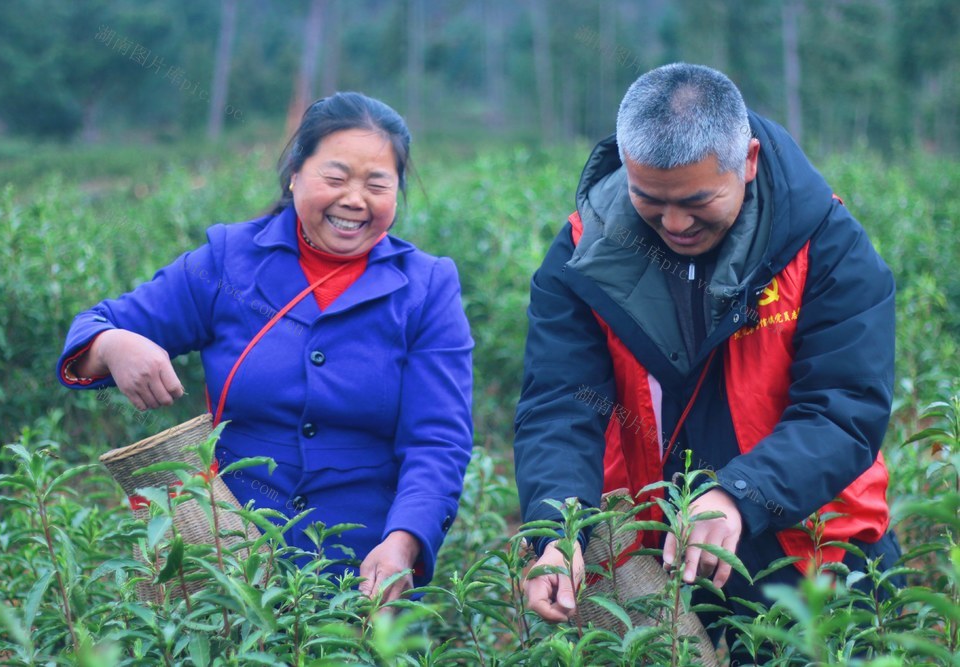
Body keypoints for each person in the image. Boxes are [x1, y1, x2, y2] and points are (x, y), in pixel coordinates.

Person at [513, 63, 899, 633]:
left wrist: (741, 493)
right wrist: (556, 533)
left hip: (813, 550)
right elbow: (562, 402)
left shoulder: (828, 245)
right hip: (660, 560)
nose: (674, 222)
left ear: (747, 160)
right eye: (649, 198)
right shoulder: (583, 252)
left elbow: (844, 409)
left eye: (697, 201)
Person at [56, 92, 474, 603]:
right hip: (228, 561)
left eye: (377, 184)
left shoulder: (426, 287)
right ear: (295, 173)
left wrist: (403, 544)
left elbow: (438, 440)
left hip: (363, 567)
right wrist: (115, 343)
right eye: (336, 178)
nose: (354, 200)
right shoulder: (229, 260)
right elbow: (95, 327)